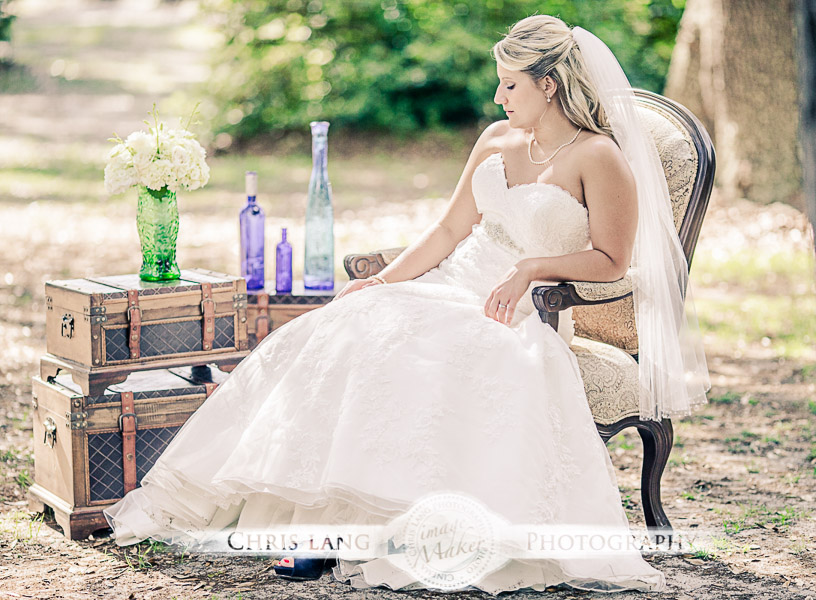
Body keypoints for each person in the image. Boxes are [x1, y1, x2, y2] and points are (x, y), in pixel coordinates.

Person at [104, 14, 709, 595]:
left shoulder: (598, 158)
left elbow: (610, 260)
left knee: (438, 349)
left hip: (526, 309)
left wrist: (531, 268)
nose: (499, 97)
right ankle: (320, 523)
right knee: (355, 325)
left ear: (547, 85)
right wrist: (383, 281)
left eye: (510, 84)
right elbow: (448, 232)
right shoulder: (497, 139)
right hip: (454, 283)